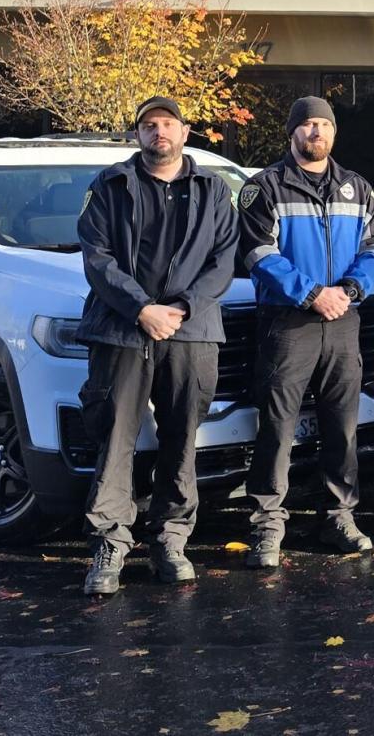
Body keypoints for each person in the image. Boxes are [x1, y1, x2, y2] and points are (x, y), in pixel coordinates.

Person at [77, 96, 239, 595]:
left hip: (192, 331)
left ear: (185, 133)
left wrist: (183, 308)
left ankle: (170, 540)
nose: (158, 133)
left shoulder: (213, 190)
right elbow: (97, 256)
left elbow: (224, 260)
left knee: (180, 437)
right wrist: (140, 308)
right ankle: (109, 545)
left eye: (167, 124)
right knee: (117, 436)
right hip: (123, 329)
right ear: (137, 136)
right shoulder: (109, 186)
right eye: (149, 126)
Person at [236, 96, 374, 568]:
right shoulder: (264, 188)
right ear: (293, 133)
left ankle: (339, 516)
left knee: (342, 427)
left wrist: (349, 288)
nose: (316, 132)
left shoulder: (357, 188)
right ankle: (268, 525)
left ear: (334, 133)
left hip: (343, 321)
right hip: (290, 324)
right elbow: (258, 253)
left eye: (324, 124)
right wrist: (310, 293)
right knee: (277, 428)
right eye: (307, 125)